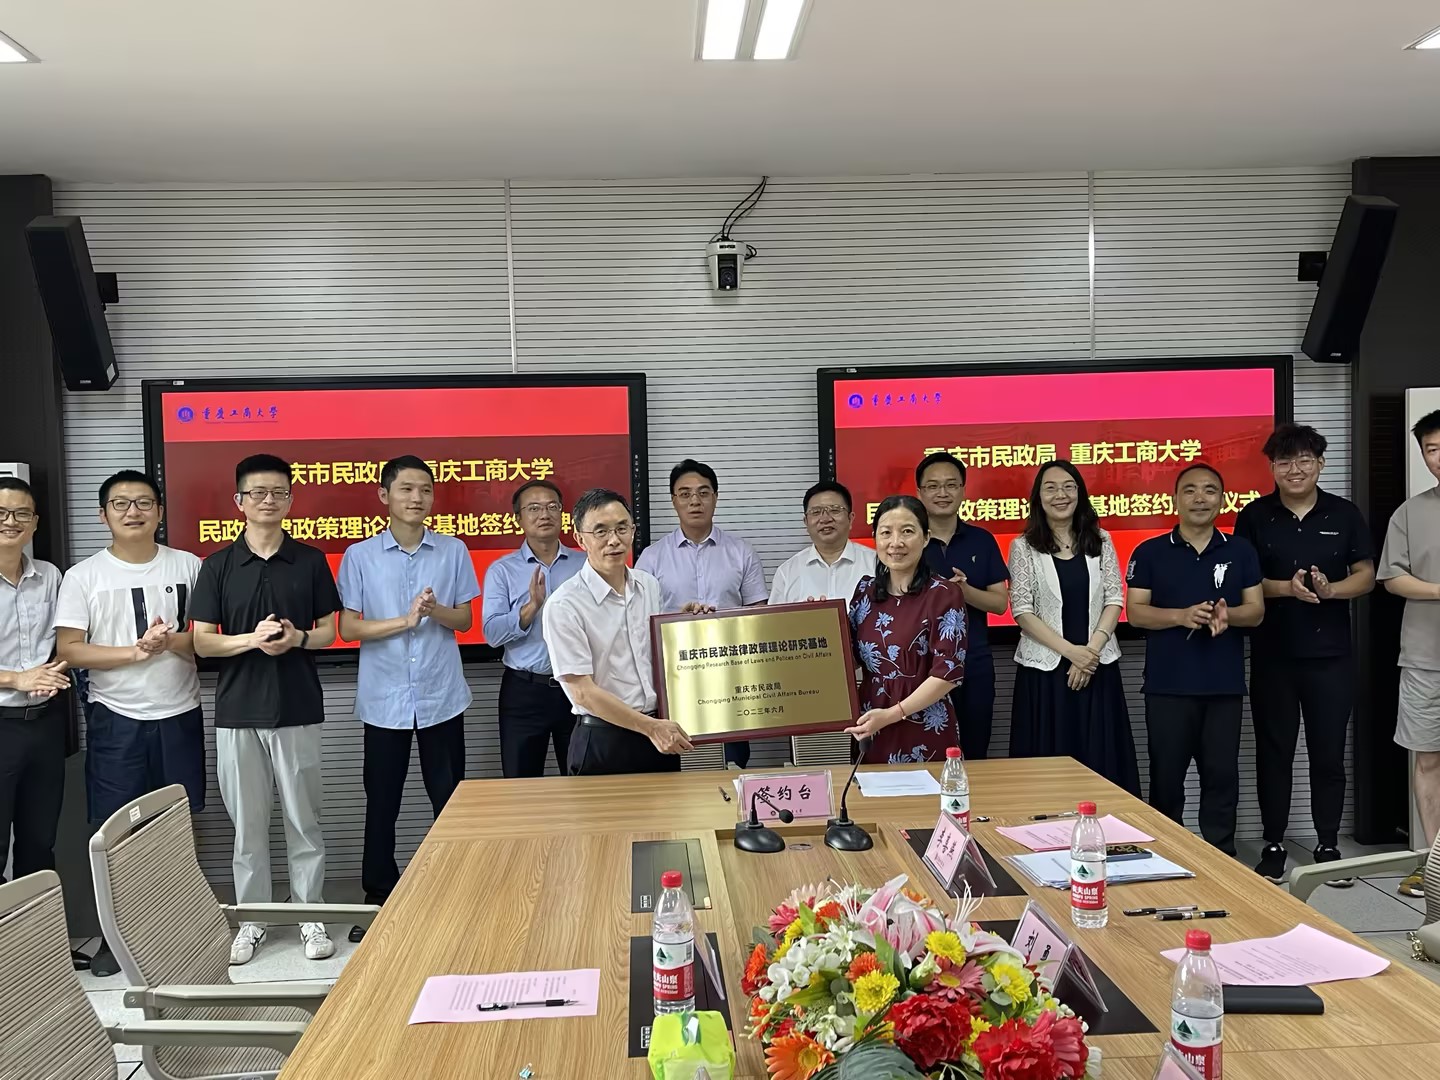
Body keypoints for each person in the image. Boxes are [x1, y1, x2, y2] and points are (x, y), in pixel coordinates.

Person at [54, 469, 205, 977]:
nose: (133, 511)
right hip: (115, 719)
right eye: (120, 504)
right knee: (113, 833)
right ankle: (114, 938)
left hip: (180, 712)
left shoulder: (189, 565)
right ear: (103, 515)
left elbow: (209, 638)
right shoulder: (83, 576)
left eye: (143, 502)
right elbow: (70, 649)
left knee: (179, 828)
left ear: (160, 511)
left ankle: (182, 929)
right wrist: (134, 652)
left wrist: (170, 642)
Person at [192, 454, 341, 965]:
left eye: (279, 492)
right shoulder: (217, 566)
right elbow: (203, 642)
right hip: (237, 712)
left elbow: (329, 631)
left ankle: (310, 915)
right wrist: (251, 641)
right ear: (239, 502)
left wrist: (298, 638)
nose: (268, 500)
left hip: (298, 707)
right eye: (258, 492)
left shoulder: (310, 560)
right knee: (248, 828)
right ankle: (253, 918)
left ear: (291, 501)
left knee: (304, 821)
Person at [337, 456, 478, 943]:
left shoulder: (453, 550)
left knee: (450, 799)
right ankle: (379, 897)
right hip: (384, 698)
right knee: (382, 801)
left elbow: (464, 621)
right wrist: (405, 620)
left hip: (441, 695)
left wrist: (433, 610)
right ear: (384, 495)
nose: (417, 498)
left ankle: (457, 890)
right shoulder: (360, 555)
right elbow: (348, 628)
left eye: (425, 490)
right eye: (406, 489)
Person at [1234, 424, 1375, 885]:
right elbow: (1243, 582)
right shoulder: (1255, 516)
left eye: (1304, 460)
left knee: (1328, 753)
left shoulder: (1344, 513)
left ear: (1320, 463)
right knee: (1274, 752)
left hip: (1330, 656)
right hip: (1273, 655)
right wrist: (1285, 588)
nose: (1294, 469)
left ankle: (1328, 843)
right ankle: (1274, 844)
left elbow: (1366, 575)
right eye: (1284, 461)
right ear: (1272, 467)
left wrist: (1332, 590)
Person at [1126, 462, 1265, 856]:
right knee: (1166, 778)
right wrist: (1181, 616)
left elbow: (1256, 611)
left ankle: (1221, 855)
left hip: (1223, 686)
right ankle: (1165, 854)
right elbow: (1136, 612)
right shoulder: (1150, 552)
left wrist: (1228, 615)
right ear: (1175, 499)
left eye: (1209, 490)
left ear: (1223, 499)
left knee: (1221, 777)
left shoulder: (1240, 550)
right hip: (1167, 686)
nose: (1200, 498)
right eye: (1190, 490)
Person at [542, 488, 703, 775]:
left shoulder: (648, 585)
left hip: (658, 734)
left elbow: (656, 653)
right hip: (603, 739)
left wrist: (684, 625)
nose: (614, 540)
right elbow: (582, 692)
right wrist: (650, 727)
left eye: (621, 528)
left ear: (633, 531)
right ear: (580, 539)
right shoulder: (564, 604)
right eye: (601, 531)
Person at [1007, 461, 1138, 794]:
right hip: (1046, 675)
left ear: (1080, 493)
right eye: (1050, 488)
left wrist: (1089, 653)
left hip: (1097, 668)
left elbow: (1115, 598)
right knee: (1047, 773)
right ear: (1038, 497)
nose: (1060, 495)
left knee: (1101, 763)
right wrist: (1072, 654)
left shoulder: (1101, 540)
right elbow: (1022, 610)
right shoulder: (1023, 546)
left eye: (1068, 486)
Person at [636, 459, 767, 767]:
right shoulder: (651, 558)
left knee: (732, 761)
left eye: (703, 493)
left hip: (732, 676)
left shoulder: (741, 552)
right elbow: (638, 621)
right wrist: (678, 621)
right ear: (673, 501)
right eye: (685, 494)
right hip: (674, 679)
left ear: (715, 498)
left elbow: (759, 615)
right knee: (676, 762)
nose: (695, 501)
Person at [844, 495, 968, 764]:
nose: (896, 542)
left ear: (926, 538)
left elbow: (947, 674)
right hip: (871, 722)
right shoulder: (865, 591)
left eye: (908, 531)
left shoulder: (943, 594)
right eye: (886, 532)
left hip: (925, 725)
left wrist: (891, 715)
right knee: (869, 790)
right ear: (875, 538)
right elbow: (847, 659)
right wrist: (819, 624)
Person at [1378, 409, 1440, 899]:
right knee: (1428, 762)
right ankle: (1434, 864)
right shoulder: (1408, 513)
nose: (1439, 457)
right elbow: (1392, 577)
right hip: (1424, 658)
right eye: (1432, 449)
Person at [482, 478, 582, 778]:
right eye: (534, 508)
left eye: (552, 507)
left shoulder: (586, 565)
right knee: (520, 784)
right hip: (524, 691)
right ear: (519, 518)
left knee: (584, 781)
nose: (544, 514)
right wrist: (531, 607)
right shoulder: (502, 570)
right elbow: (492, 634)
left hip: (579, 686)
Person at [915, 452, 1010, 759]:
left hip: (974, 662)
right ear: (919, 493)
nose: (942, 493)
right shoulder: (909, 542)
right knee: (925, 749)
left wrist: (964, 592)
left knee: (974, 750)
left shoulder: (982, 540)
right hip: (921, 665)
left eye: (951, 485)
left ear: (963, 490)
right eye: (933, 486)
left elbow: (1000, 604)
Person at [0, 478, 70, 891]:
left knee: (39, 843)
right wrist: (17, 678)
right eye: (1, 513)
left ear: (35, 522)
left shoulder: (49, 576)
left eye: (21, 513)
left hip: (44, 725)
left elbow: (64, 642)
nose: (11, 521)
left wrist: (53, 672)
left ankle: (38, 933)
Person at [768, 481, 876, 606]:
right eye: (816, 512)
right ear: (806, 522)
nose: (825, 519)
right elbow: (775, 618)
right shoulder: (787, 573)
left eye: (835, 510)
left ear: (850, 519)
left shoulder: (875, 564)